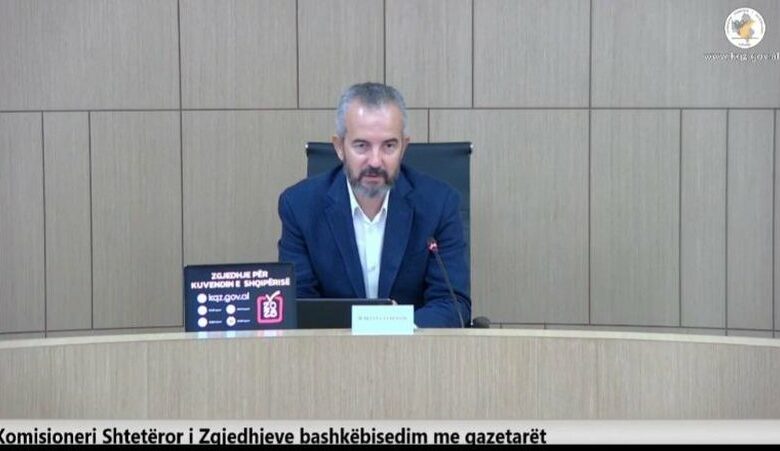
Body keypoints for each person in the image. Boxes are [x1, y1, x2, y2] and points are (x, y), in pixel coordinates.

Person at [277, 82, 470, 327]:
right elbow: (298, 305)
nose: (375, 161)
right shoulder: (300, 206)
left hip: (413, 347)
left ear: (404, 147)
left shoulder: (439, 204)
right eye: (362, 146)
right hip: (332, 348)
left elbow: (453, 304)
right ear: (339, 147)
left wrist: (392, 325)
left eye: (389, 146)